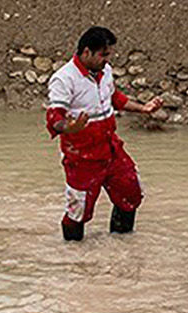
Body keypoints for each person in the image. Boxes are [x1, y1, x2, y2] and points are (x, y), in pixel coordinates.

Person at [45, 26, 163, 241]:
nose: (107, 60)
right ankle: (73, 258)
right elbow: (55, 118)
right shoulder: (64, 79)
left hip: (111, 149)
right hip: (81, 157)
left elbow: (114, 98)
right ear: (87, 52)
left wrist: (143, 108)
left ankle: (122, 245)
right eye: (104, 55)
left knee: (131, 194)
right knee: (78, 212)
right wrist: (70, 128)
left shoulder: (104, 72)